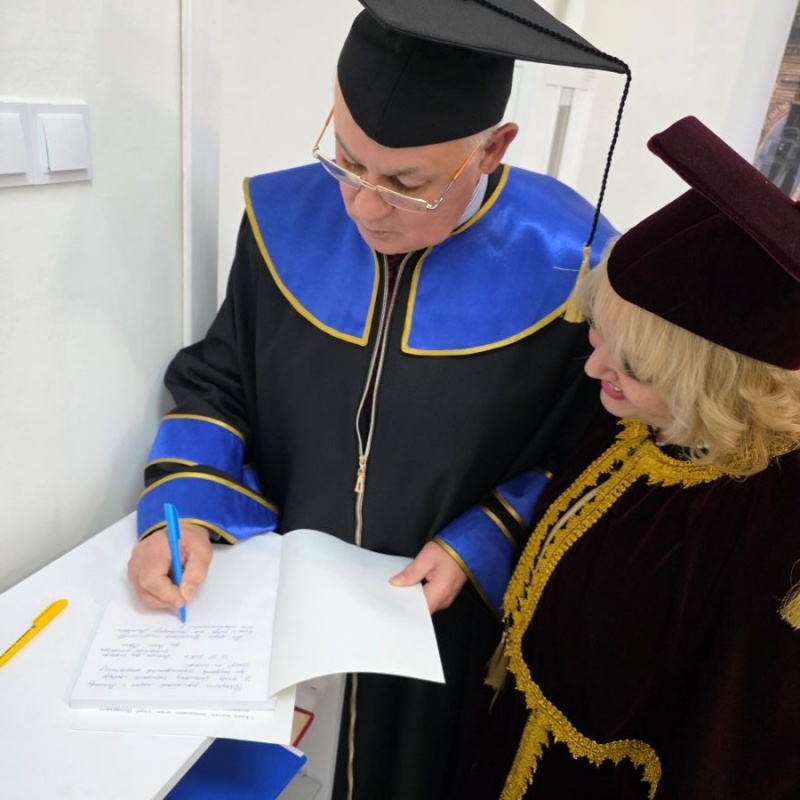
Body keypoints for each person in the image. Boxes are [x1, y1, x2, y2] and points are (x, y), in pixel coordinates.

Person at [127, 1, 629, 798]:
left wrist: (485, 537)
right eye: (347, 161)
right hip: (276, 605)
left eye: (406, 184)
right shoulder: (281, 220)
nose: (362, 205)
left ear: (493, 148)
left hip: (439, 632)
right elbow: (217, 382)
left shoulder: (573, 263)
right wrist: (182, 511)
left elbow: (593, 452)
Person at [458, 115, 800, 800]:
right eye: (597, 334)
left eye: (634, 367)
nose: (593, 369)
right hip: (511, 744)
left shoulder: (774, 525)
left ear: (717, 384)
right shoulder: (639, 425)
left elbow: (739, 748)